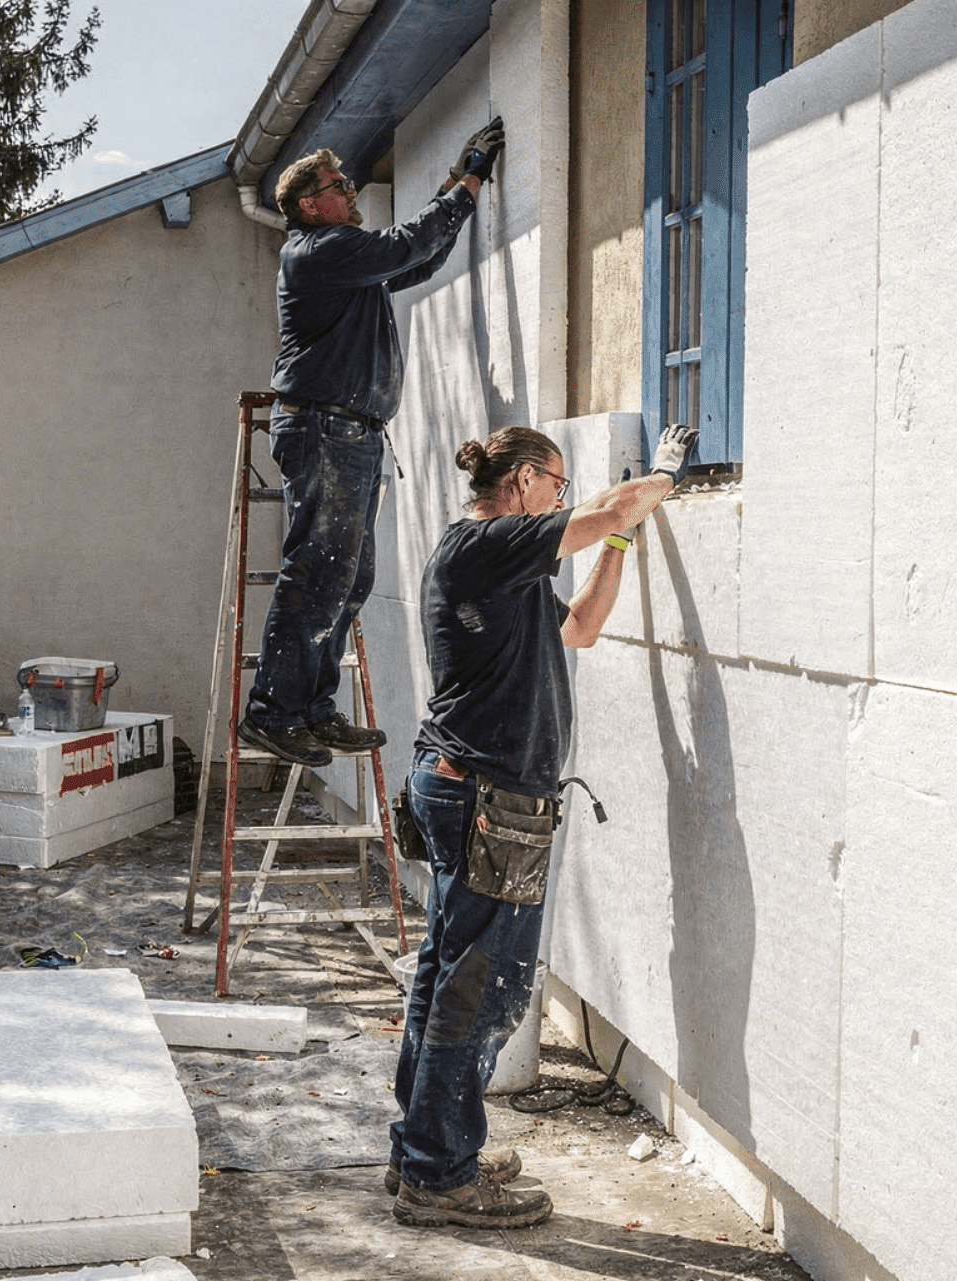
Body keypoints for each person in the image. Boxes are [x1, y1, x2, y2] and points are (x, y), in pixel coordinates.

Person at [387, 420, 700, 1229]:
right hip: (486, 802)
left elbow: (581, 628)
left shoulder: (508, 573)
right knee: (478, 989)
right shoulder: (480, 546)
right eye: (557, 486)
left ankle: (426, 1150)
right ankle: (439, 1175)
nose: (561, 501)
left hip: (478, 797)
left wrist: (621, 546)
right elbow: (611, 507)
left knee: (447, 979)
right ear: (523, 482)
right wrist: (660, 476)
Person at [239, 120, 506, 769]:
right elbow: (408, 241)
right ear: (310, 204)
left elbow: (418, 257)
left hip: (351, 433)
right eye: (338, 185)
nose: (350, 190)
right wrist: (466, 182)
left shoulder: (345, 260)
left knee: (350, 574)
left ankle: (311, 706)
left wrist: (455, 184)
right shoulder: (319, 249)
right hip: (325, 429)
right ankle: (271, 711)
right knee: (317, 570)